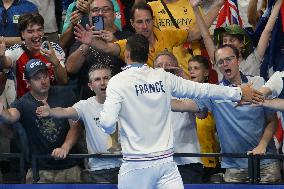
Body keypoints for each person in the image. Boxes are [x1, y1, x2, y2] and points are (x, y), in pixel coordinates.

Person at [98, 34, 263, 188]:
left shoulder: (117, 82)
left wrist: (113, 127)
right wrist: (238, 92)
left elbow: (107, 123)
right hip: (166, 165)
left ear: (126, 54)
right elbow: (201, 89)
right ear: (148, 53)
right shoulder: (163, 77)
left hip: (136, 166)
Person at [173, 44, 281, 183]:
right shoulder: (215, 92)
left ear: (238, 59)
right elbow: (183, 105)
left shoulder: (258, 82)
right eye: (220, 62)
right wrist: (155, 97)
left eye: (229, 59)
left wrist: (262, 145)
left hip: (266, 163)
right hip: (234, 167)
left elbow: (272, 121)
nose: (225, 64)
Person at [36, 63, 122, 183]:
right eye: (97, 79)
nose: (102, 82)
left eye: (106, 78)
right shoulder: (84, 106)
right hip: (99, 170)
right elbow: (65, 111)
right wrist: (51, 112)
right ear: (91, 86)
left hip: (127, 166)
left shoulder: (125, 102)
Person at [0, 59, 82, 183]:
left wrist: (65, 147)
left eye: (45, 76)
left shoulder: (66, 94)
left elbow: (76, 126)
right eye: (37, 78)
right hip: (39, 170)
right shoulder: (22, 103)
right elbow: (11, 116)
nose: (43, 81)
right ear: (27, 83)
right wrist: (1, 111)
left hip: (70, 167)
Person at [74, 2, 203, 68]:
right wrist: (91, 41)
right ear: (132, 23)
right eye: (140, 22)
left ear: (153, 20)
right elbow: (108, 48)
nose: (145, 26)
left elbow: (194, 33)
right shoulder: (130, 44)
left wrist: (218, 5)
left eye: (148, 21)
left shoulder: (167, 35)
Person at [191, 0, 283, 78]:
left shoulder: (254, 58)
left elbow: (267, 31)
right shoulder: (219, 61)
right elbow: (206, 36)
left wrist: (278, 3)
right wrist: (195, 10)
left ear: (242, 43)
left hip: (254, 99)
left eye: (232, 40)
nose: (227, 43)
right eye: (225, 41)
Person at [153, 51, 204, 183]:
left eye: (168, 65)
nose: (163, 69)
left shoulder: (186, 91)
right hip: (158, 164)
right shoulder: (146, 96)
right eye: (159, 66)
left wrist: (184, 79)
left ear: (176, 68)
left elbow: (202, 113)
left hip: (188, 163)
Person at [65, 0, 132, 100]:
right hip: (91, 101)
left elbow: (136, 64)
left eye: (106, 9)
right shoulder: (82, 39)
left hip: (122, 97)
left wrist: (116, 42)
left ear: (114, 15)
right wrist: (87, 44)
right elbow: (70, 69)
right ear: (89, 16)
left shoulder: (128, 37)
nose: (100, 13)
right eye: (95, 10)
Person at [0, 12, 68, 98]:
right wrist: (1, 57)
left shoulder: (54, 49)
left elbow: (64, 81)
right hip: (25, 106)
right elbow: (5, 63)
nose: (36, 35)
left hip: (52, 105)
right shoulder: (16, 50)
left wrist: (55, 61)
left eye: (39, 30)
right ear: (22, 34)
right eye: (30, 31)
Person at [188, 55, 222, 182]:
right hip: (190, 159)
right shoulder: (182, 94)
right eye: (189, 68)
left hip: (210, 161)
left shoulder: (212, 94)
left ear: (206, 72)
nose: (192, 71)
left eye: (196, 68)